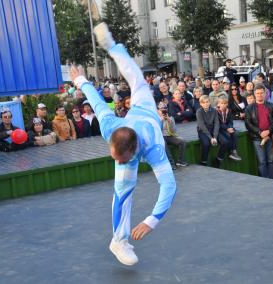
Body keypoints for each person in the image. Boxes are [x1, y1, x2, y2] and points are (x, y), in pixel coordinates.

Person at [70, 23, 177, 266]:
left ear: (132, 152)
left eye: (120, 160)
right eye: (114, 157)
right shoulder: (110, 127)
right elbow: (97, 103)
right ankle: (119, 240)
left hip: (147, 114)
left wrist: (151, 220)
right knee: (122, 191)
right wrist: (81, 81)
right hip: (139, 110)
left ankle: (112, 46)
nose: (116, 162)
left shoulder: (154, 149)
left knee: (136, 78)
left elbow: (169, 186)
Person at [245, 84, 273, 179]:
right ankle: (265, 181)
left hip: (270, 136)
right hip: (257, 138)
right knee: (262, 161)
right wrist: (260, 132)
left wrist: (268, 131)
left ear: (265, 93)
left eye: (261, 93)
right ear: (254, 94)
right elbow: (248, 124)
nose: (259, 95)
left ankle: (272, 180)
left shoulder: (271, 106)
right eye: (257, 93)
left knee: (271, 160)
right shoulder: (249, 108)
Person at [157, 102, 188, 170]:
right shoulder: (155, 118)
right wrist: (160, 120)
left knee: (182, 142)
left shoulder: (170, 117)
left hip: (168, 136)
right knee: (164, 143)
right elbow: (157, 131)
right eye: (161, 109)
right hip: (159, 137)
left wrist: (170, 122)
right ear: (157, 110)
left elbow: (174, 131)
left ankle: (180, 161)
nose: (163, 110)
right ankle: (171, 164)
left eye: (165, 109)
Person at [196, 95, 220, 166]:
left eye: (207, 102)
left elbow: (216, 123)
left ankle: (218, 160)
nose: (206, 104)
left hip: (212, 129)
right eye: (203, 102)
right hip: (202, 131)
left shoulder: (214, 110)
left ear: (210, 102)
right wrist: (211, 138)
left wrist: (215, 136)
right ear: (201, 104)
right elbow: (202, 126)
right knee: (206, 144)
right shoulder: (199, 111)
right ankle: (203, 161)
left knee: (224, 141)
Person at [216, 97, 242, 161]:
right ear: (218, 104)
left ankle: (234, 152)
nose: (223, 105)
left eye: (225, 103)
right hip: (219, 129)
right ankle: (220, 157)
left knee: (235, 133)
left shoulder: (228, 110)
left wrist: (230, 127)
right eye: (222, 103)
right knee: (227, 139)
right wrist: (227, 128)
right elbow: (217, 123)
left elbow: (230, 121)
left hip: (226, 127)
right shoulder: (215, 111)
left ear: (227, 104)